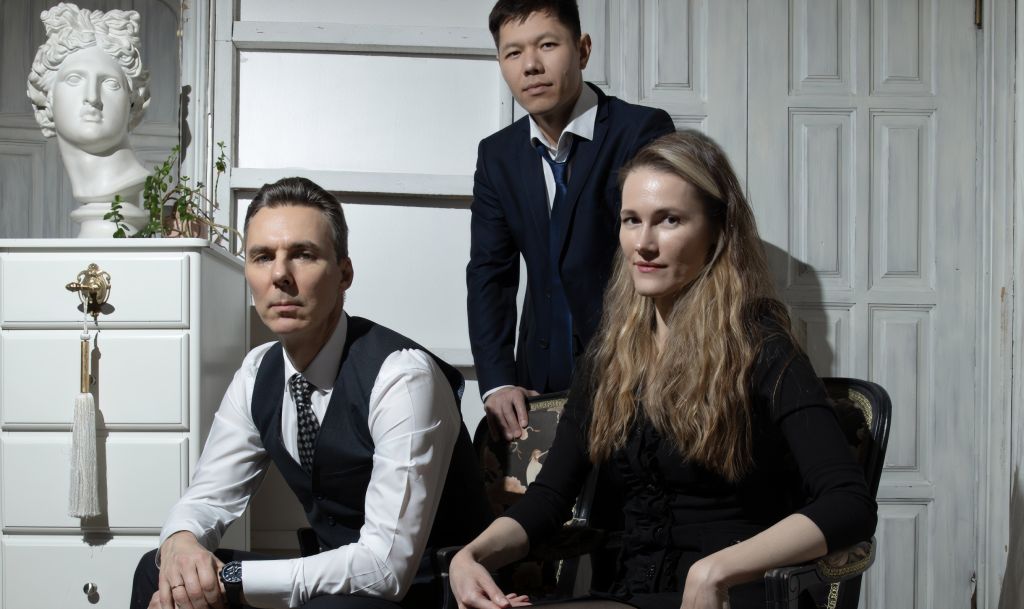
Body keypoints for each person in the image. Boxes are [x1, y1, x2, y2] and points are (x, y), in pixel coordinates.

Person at [449, 131, 878, 609]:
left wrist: (716, 571)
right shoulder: (610, 355)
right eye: (631, 220)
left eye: (669, 220)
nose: (644, 243)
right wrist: (471, 555)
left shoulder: (763, 348)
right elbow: (550, 498)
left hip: (732, 596)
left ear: (718, 231)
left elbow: (849, 504)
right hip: (628, 595)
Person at [131, 177, 491, 609]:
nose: (280, 275)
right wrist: (180, 545)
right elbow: (208, 496)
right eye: (263, 257)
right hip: (333, 583)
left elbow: (385, 569)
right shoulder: (257, 373)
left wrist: (231, 579)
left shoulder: (402, 377)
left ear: (344, 274)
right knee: (157, 571)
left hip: (428, 590)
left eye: (303, 254)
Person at [467, 0, 675, 441]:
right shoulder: (497, 155)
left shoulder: (641, 132)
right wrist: (498, 381)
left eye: (547, 45)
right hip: (537, 381)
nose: (530, 65)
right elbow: (490, 272)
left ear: (582, 50)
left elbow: (665, 255)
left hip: (634, 371)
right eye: (513, 52)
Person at [27, 2, 151, 207]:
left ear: (132, 101)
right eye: (74, 79)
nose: (92, 97)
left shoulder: (127, 181)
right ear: (47, 96)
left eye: (110, 83)